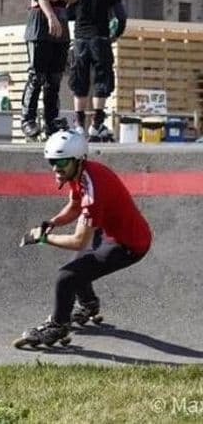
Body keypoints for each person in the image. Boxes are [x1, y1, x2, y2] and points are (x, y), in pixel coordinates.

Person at [17, 130, 152, 346]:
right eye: (52, 161)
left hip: (129, 244)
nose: (55, 168)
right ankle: (89, 304)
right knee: (77, 266)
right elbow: (74, 205)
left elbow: (78, 240)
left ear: (78, 160)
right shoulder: (80, 172)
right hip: (111, 231)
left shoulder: (93, 191)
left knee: (67, 277)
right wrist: (53, 223)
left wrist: (43, 238)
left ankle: (58, 326)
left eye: (61, 163)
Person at [21, 0, 78, 140]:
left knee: (54, 78)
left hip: (61, 25)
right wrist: (51, 16)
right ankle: (28, 120)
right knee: (37, 75)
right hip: (40, 23)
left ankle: (51, 121)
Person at [69, 0, 127, 141]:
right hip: (101, 39)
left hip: (80, 40)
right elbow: (120, 16)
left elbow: (67, 13)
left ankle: (78, 126)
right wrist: (115, 34)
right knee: (102, 80)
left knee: (80, 81)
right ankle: (97, 124)